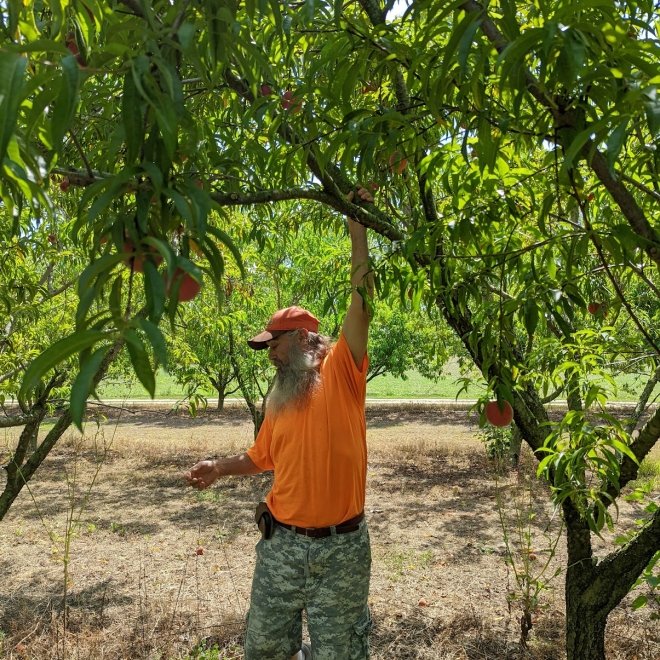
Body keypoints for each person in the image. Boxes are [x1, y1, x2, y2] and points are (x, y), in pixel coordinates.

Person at [184, 187, 375, 660]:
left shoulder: (342, 370)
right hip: (281, 546)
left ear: (304, 339)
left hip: (341, 552)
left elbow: (362, 302)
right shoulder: (280, 396)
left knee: (341, 655)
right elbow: (262, 456)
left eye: (274, 343)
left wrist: (358, 231)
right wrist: (219, 466)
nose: (268, 353)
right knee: (264, 650)